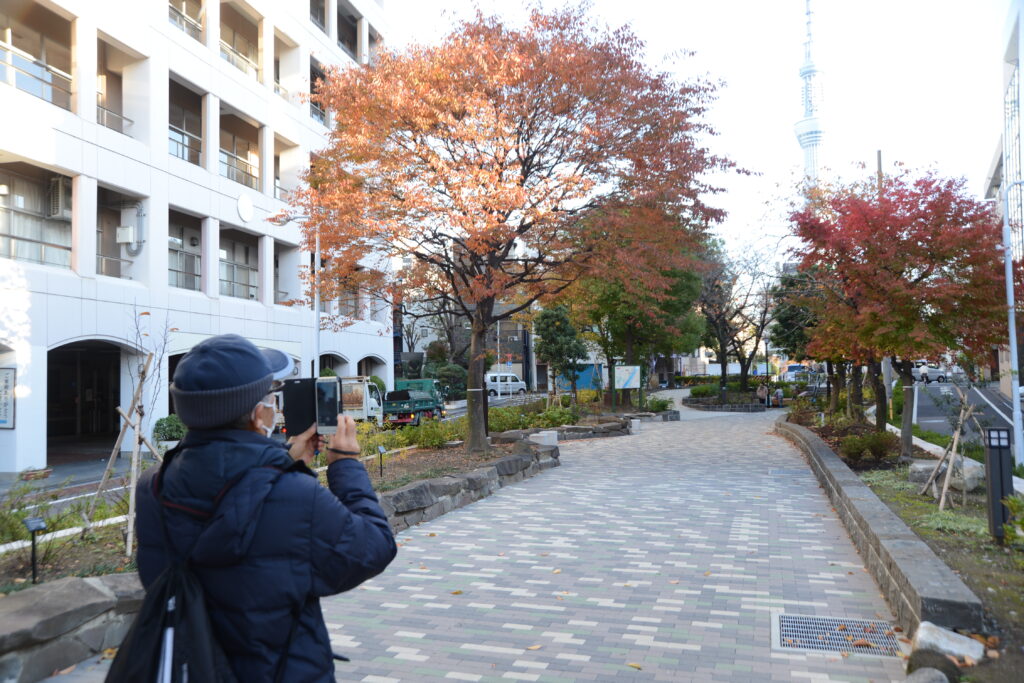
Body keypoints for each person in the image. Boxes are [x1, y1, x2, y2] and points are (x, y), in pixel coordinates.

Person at [136, 334, 397, 681]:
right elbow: (373, 548)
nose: (276, 404)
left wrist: (283, 460)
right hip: (280, 668)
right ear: (259, 415)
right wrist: (345, 464)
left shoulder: (153, 485)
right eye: (272, 396)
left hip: (194, 664)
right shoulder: (292, 492)